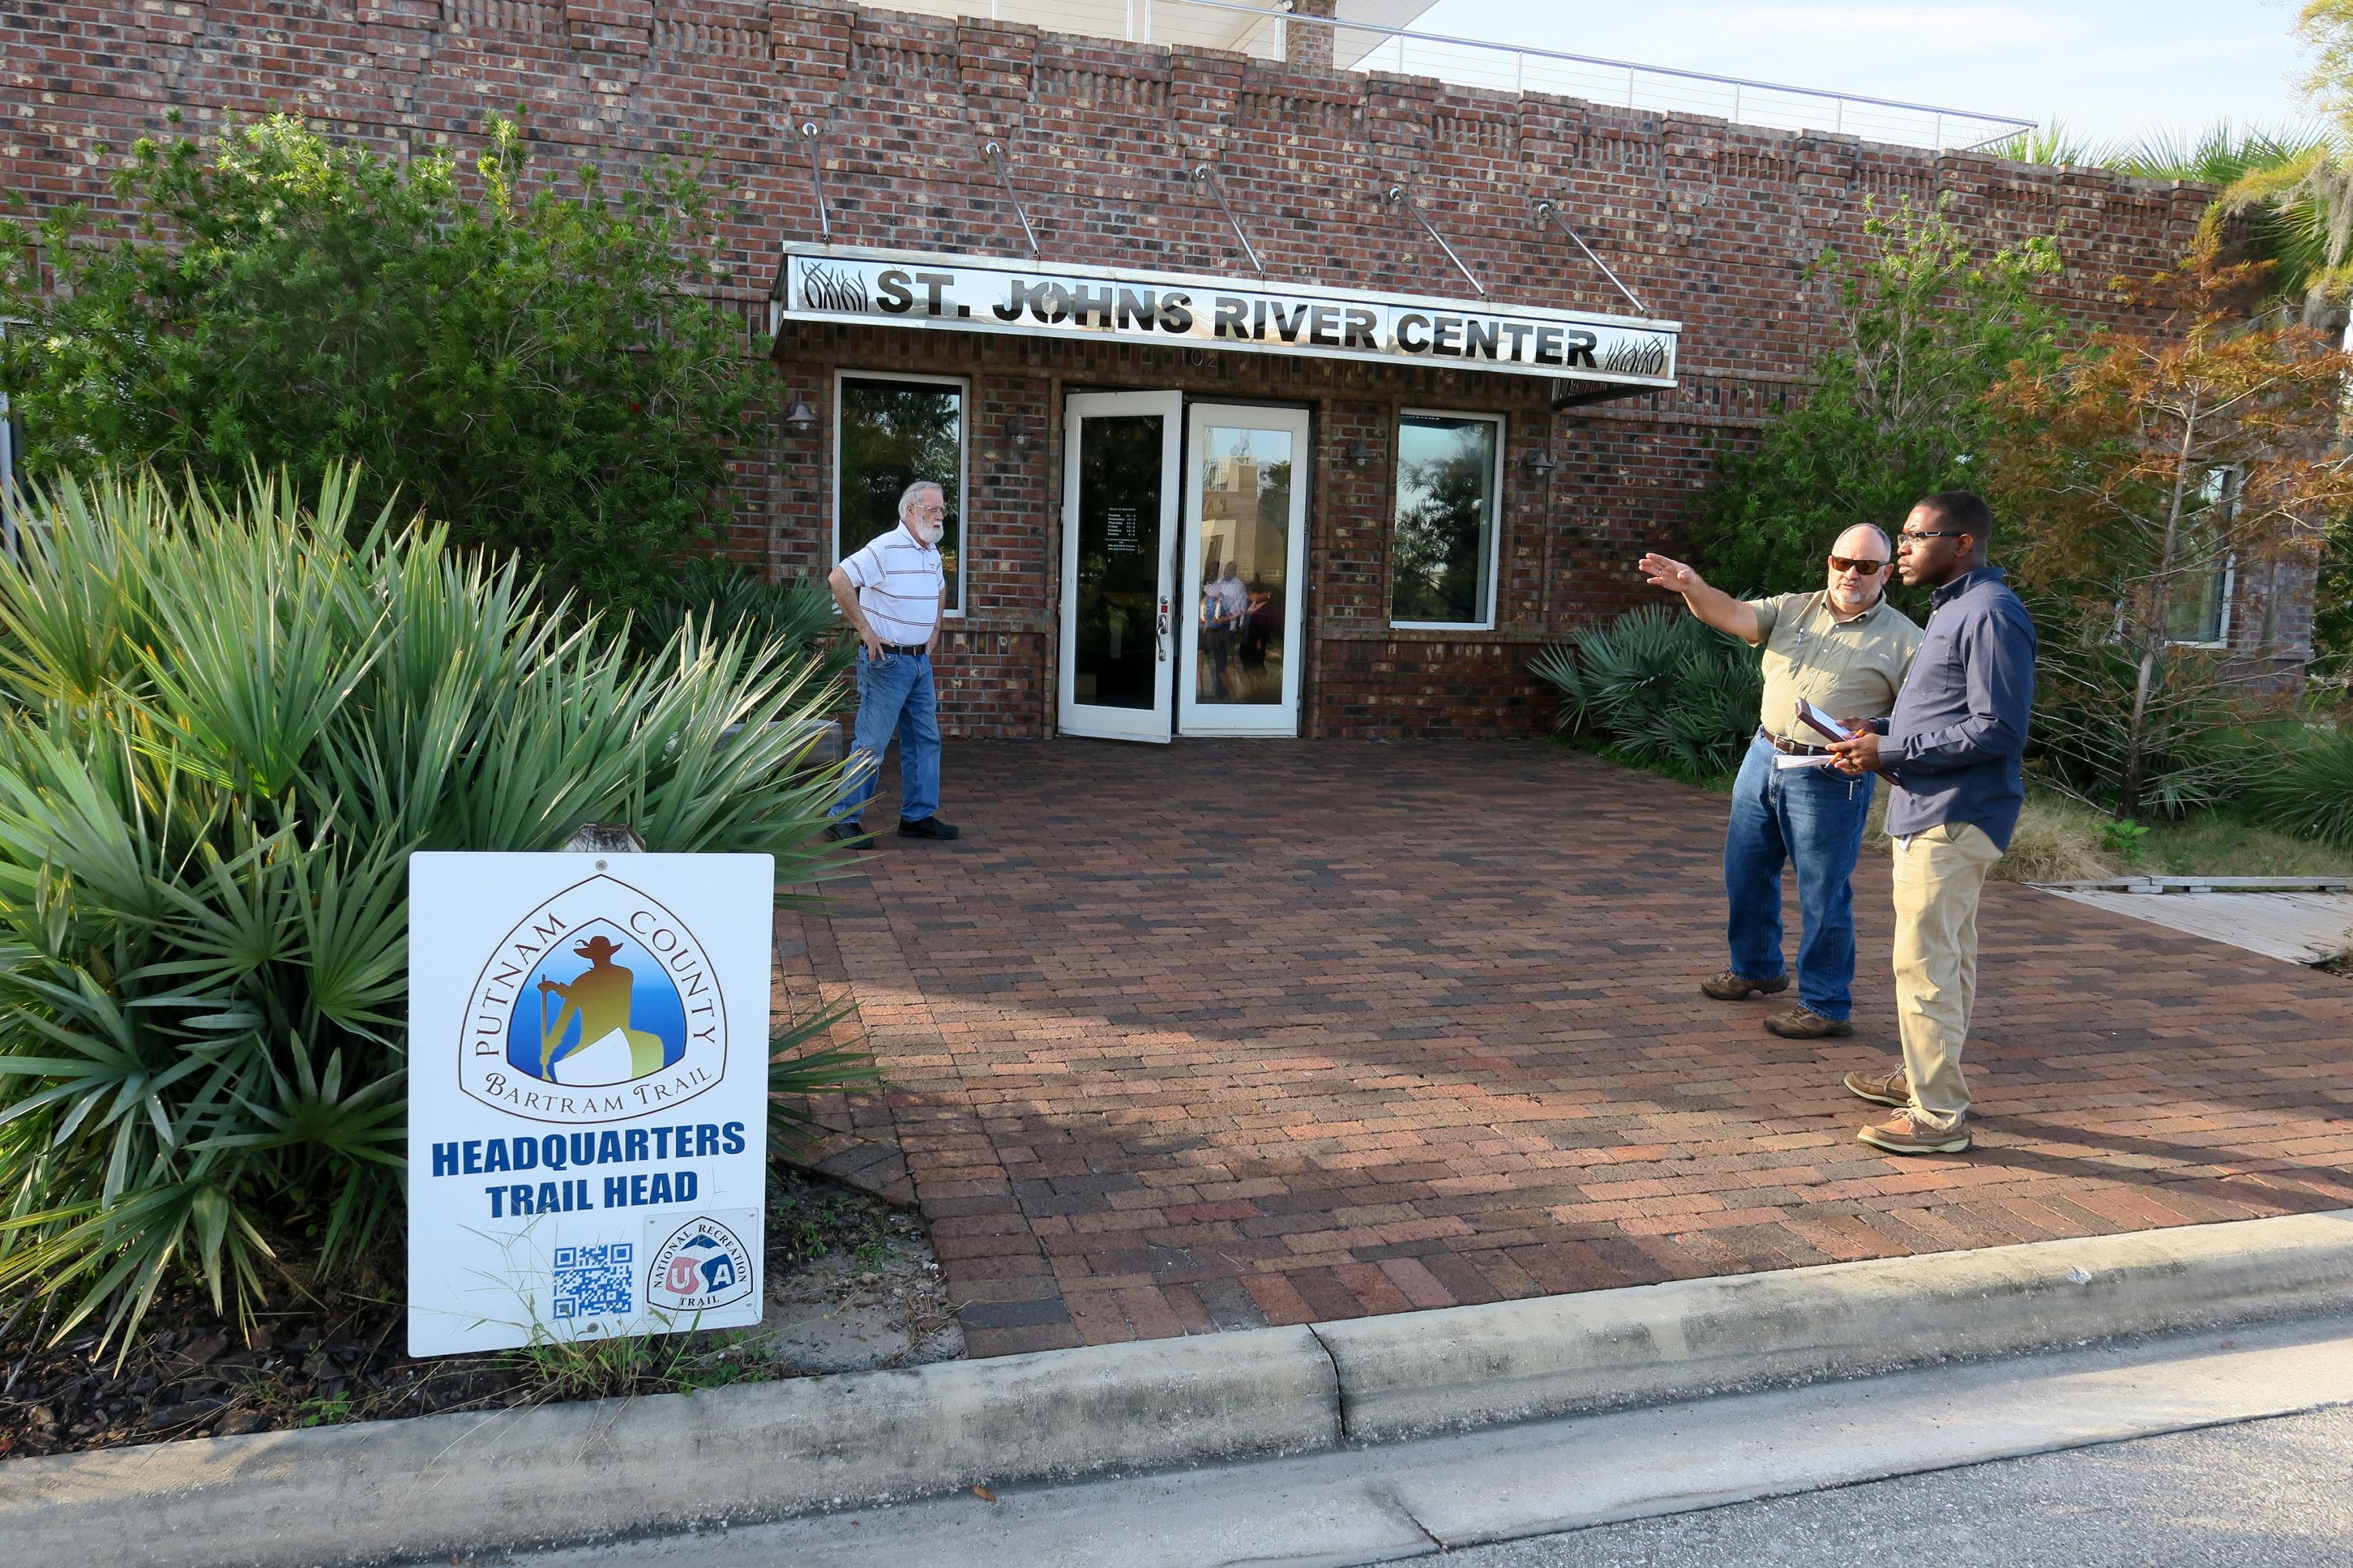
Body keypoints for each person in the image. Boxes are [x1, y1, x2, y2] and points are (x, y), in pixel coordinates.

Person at [1637, 525, 1923, 1040]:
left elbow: (1920, 718)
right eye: (1841, 562)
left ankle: (1827, 1002)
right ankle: (1755, 966)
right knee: (1745, 871)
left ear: (1886, 573)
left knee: (1823, 891)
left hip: (1830, 775)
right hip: (1764, 755)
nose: (1849, 574)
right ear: (1829, 563)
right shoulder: (1796, 607)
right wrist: (1692, 585)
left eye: (1864, 566)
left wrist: (1879, 735)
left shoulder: (1906, 640)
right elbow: (1731, 613)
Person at [1828, 491, 2036, 1155]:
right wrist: (1880, 729)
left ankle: (1938, 1116)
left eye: (1917, 536)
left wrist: (1890, 752)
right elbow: (1948, 712)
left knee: (1925, 966)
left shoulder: (1991, 613)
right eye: (1904, 534)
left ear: (1963, 543)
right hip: (1931, 807)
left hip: (1954, 813)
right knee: (1947, 959)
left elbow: (1997, 728)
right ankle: (1922, 1078)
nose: (1905, 548)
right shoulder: (1955, 610)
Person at [826, 480, 958, 849]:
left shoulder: (930, 551)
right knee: (872, 742)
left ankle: (917, 816)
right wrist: (866, 631)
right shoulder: (884, 548)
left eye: (942, 508)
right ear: (911, 510)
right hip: (886, 662)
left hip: (918, 662)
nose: (940, 515)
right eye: (932, 508)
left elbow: (940, 588)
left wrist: (933, 630)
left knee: (925, 740)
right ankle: (843, 818)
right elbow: (839, 579)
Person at [1200, 559, 1247, 698]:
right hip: (1210, 631)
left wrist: (1233, 627)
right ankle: (1219, 694)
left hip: (1223, 631)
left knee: (1222, 665)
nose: (1209, 573)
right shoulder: (1208, 586)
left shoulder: (1231, 588)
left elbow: (1234, 611)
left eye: (1212, 570)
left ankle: (1232, 697)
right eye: (1208, 570)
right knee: (1206, 661)